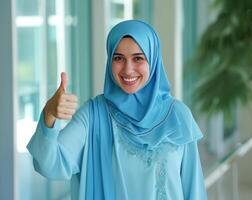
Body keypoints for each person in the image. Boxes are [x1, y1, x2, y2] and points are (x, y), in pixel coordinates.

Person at [27, 20, 207, 200]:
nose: (128, 69)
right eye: (118, 58)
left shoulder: (177, 116)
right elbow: (50, 165)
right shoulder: (93, 116)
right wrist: (49, 113)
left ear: (153, 60)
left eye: (138, 58)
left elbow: (194, 191)